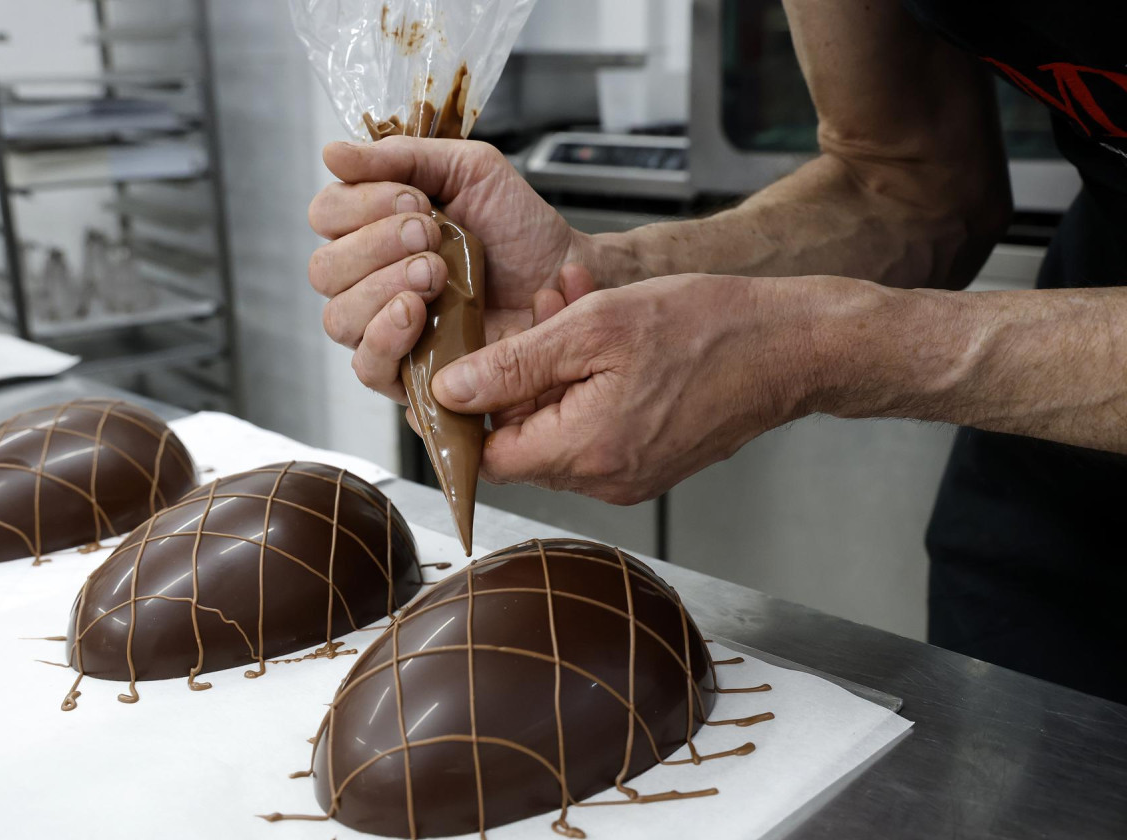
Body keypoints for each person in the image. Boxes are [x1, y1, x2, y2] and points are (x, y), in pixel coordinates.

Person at [304, 0, 1126, 704]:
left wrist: (816, 345)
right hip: (1059, 511)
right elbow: (908, 183)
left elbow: (835, 324)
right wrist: (596, 277)